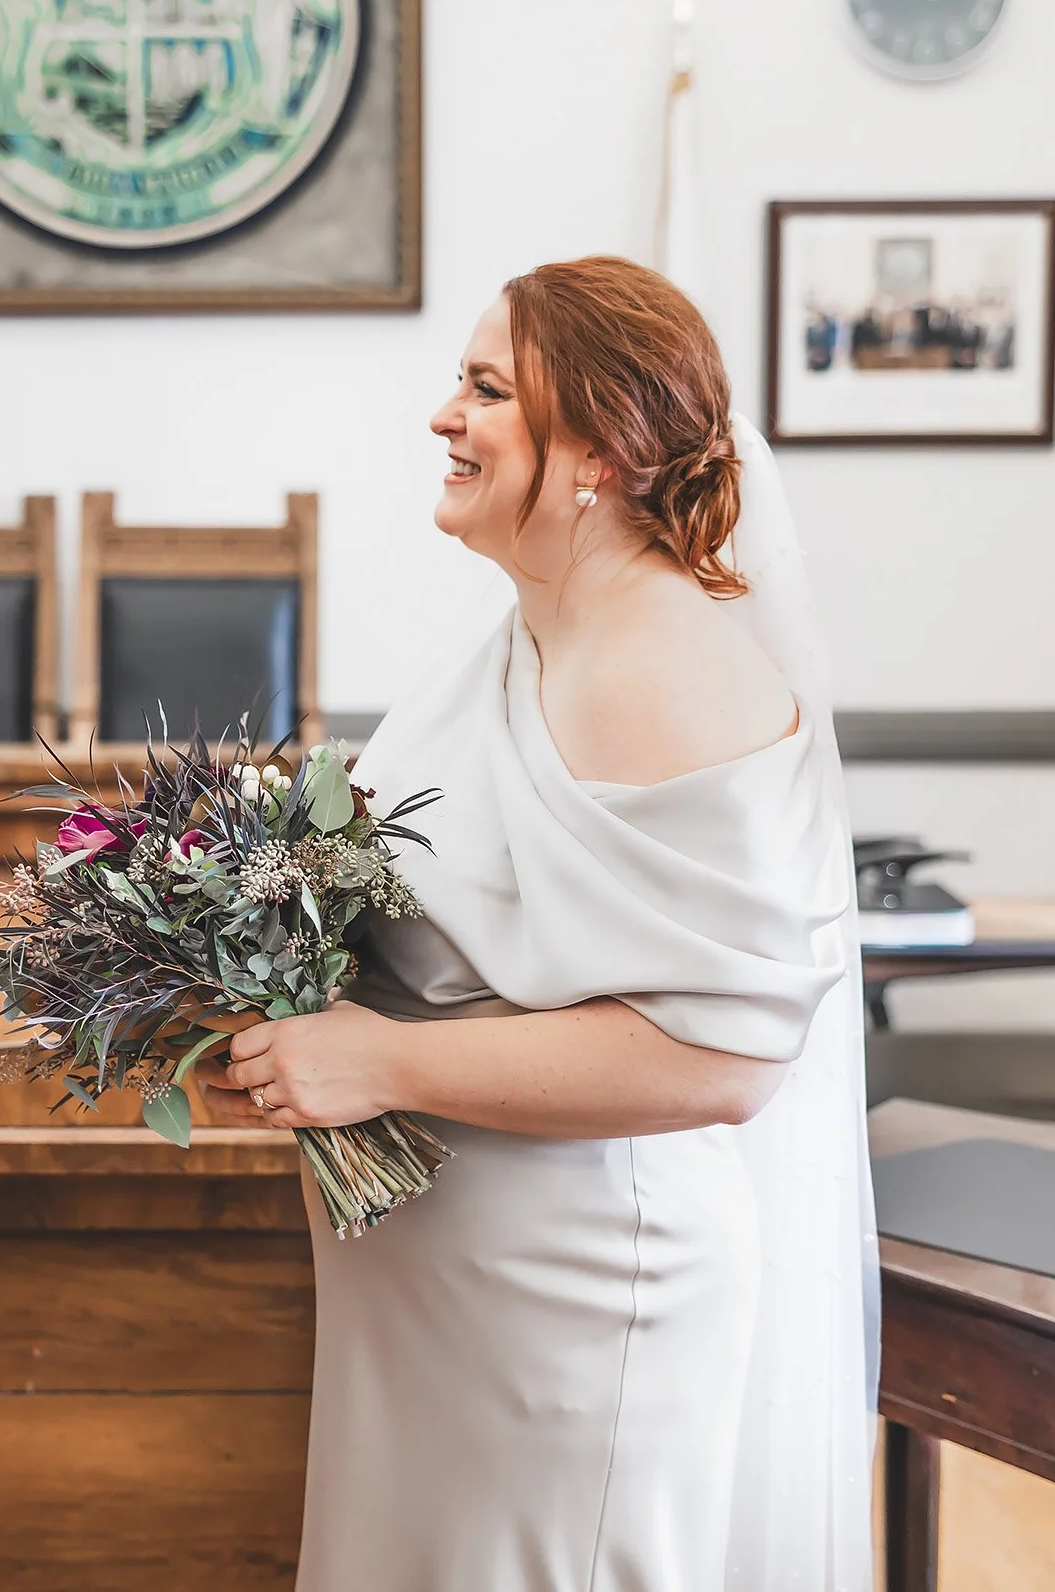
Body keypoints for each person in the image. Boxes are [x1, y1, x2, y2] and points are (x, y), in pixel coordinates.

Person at [207, 256, 876, 1590]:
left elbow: (725, 1060)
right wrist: (275, 1017)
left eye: (487, 388)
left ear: (601, 451)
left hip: (578, 1298)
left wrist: (378, 1060)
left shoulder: (664, 666)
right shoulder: (529, 636)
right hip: (456, 1297)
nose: (444, 416)